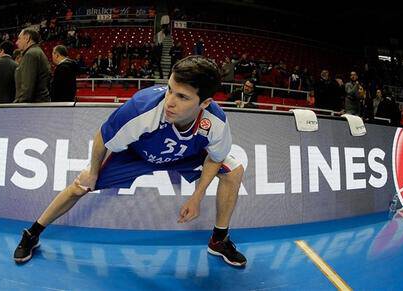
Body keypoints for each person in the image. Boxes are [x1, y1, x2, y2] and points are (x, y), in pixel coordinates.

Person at [13, 56, 247, 267]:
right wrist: (93, 172)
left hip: (186, 156)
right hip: (138, 155)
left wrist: (197, 196)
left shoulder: (215, 122)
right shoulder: (142, 109)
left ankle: (219, 240)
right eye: (169, 90)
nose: (170, 102)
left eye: (182, 96)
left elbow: (215, 158)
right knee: (80, 184)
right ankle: (32, 233)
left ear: (204, 103)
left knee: (234, 169)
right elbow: (103, 137)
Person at [14, 28, 51, 103]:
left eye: (19, 38)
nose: (16, 42)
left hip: (33, 106)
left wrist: (18, 105)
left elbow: (27, 88)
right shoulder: (37, 52)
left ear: (27, 38)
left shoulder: (30, 54)